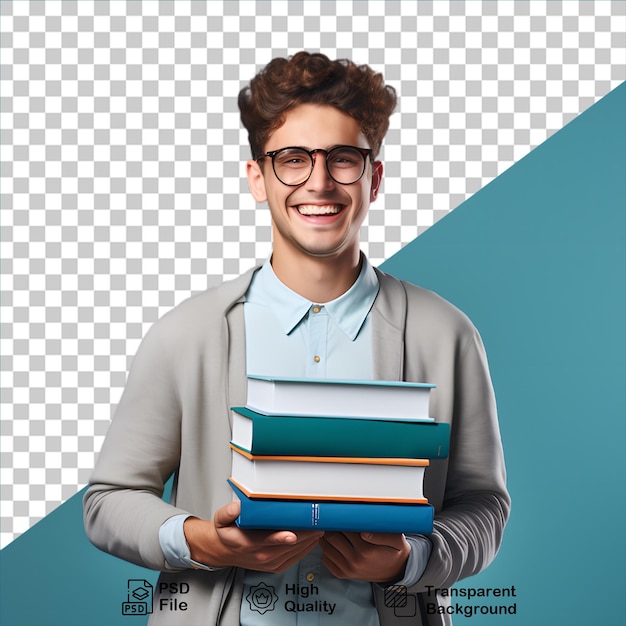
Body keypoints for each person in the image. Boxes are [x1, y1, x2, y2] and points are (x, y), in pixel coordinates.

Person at [84, 52, 510, 625]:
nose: (319, 182)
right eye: (292, 160)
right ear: (257, 178)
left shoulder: (447, 335)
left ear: (374, 178)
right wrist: (200, 541)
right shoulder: (187, 334)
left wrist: (413, 559)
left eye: (343, 159)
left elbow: (484, 506)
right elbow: (108, 501)